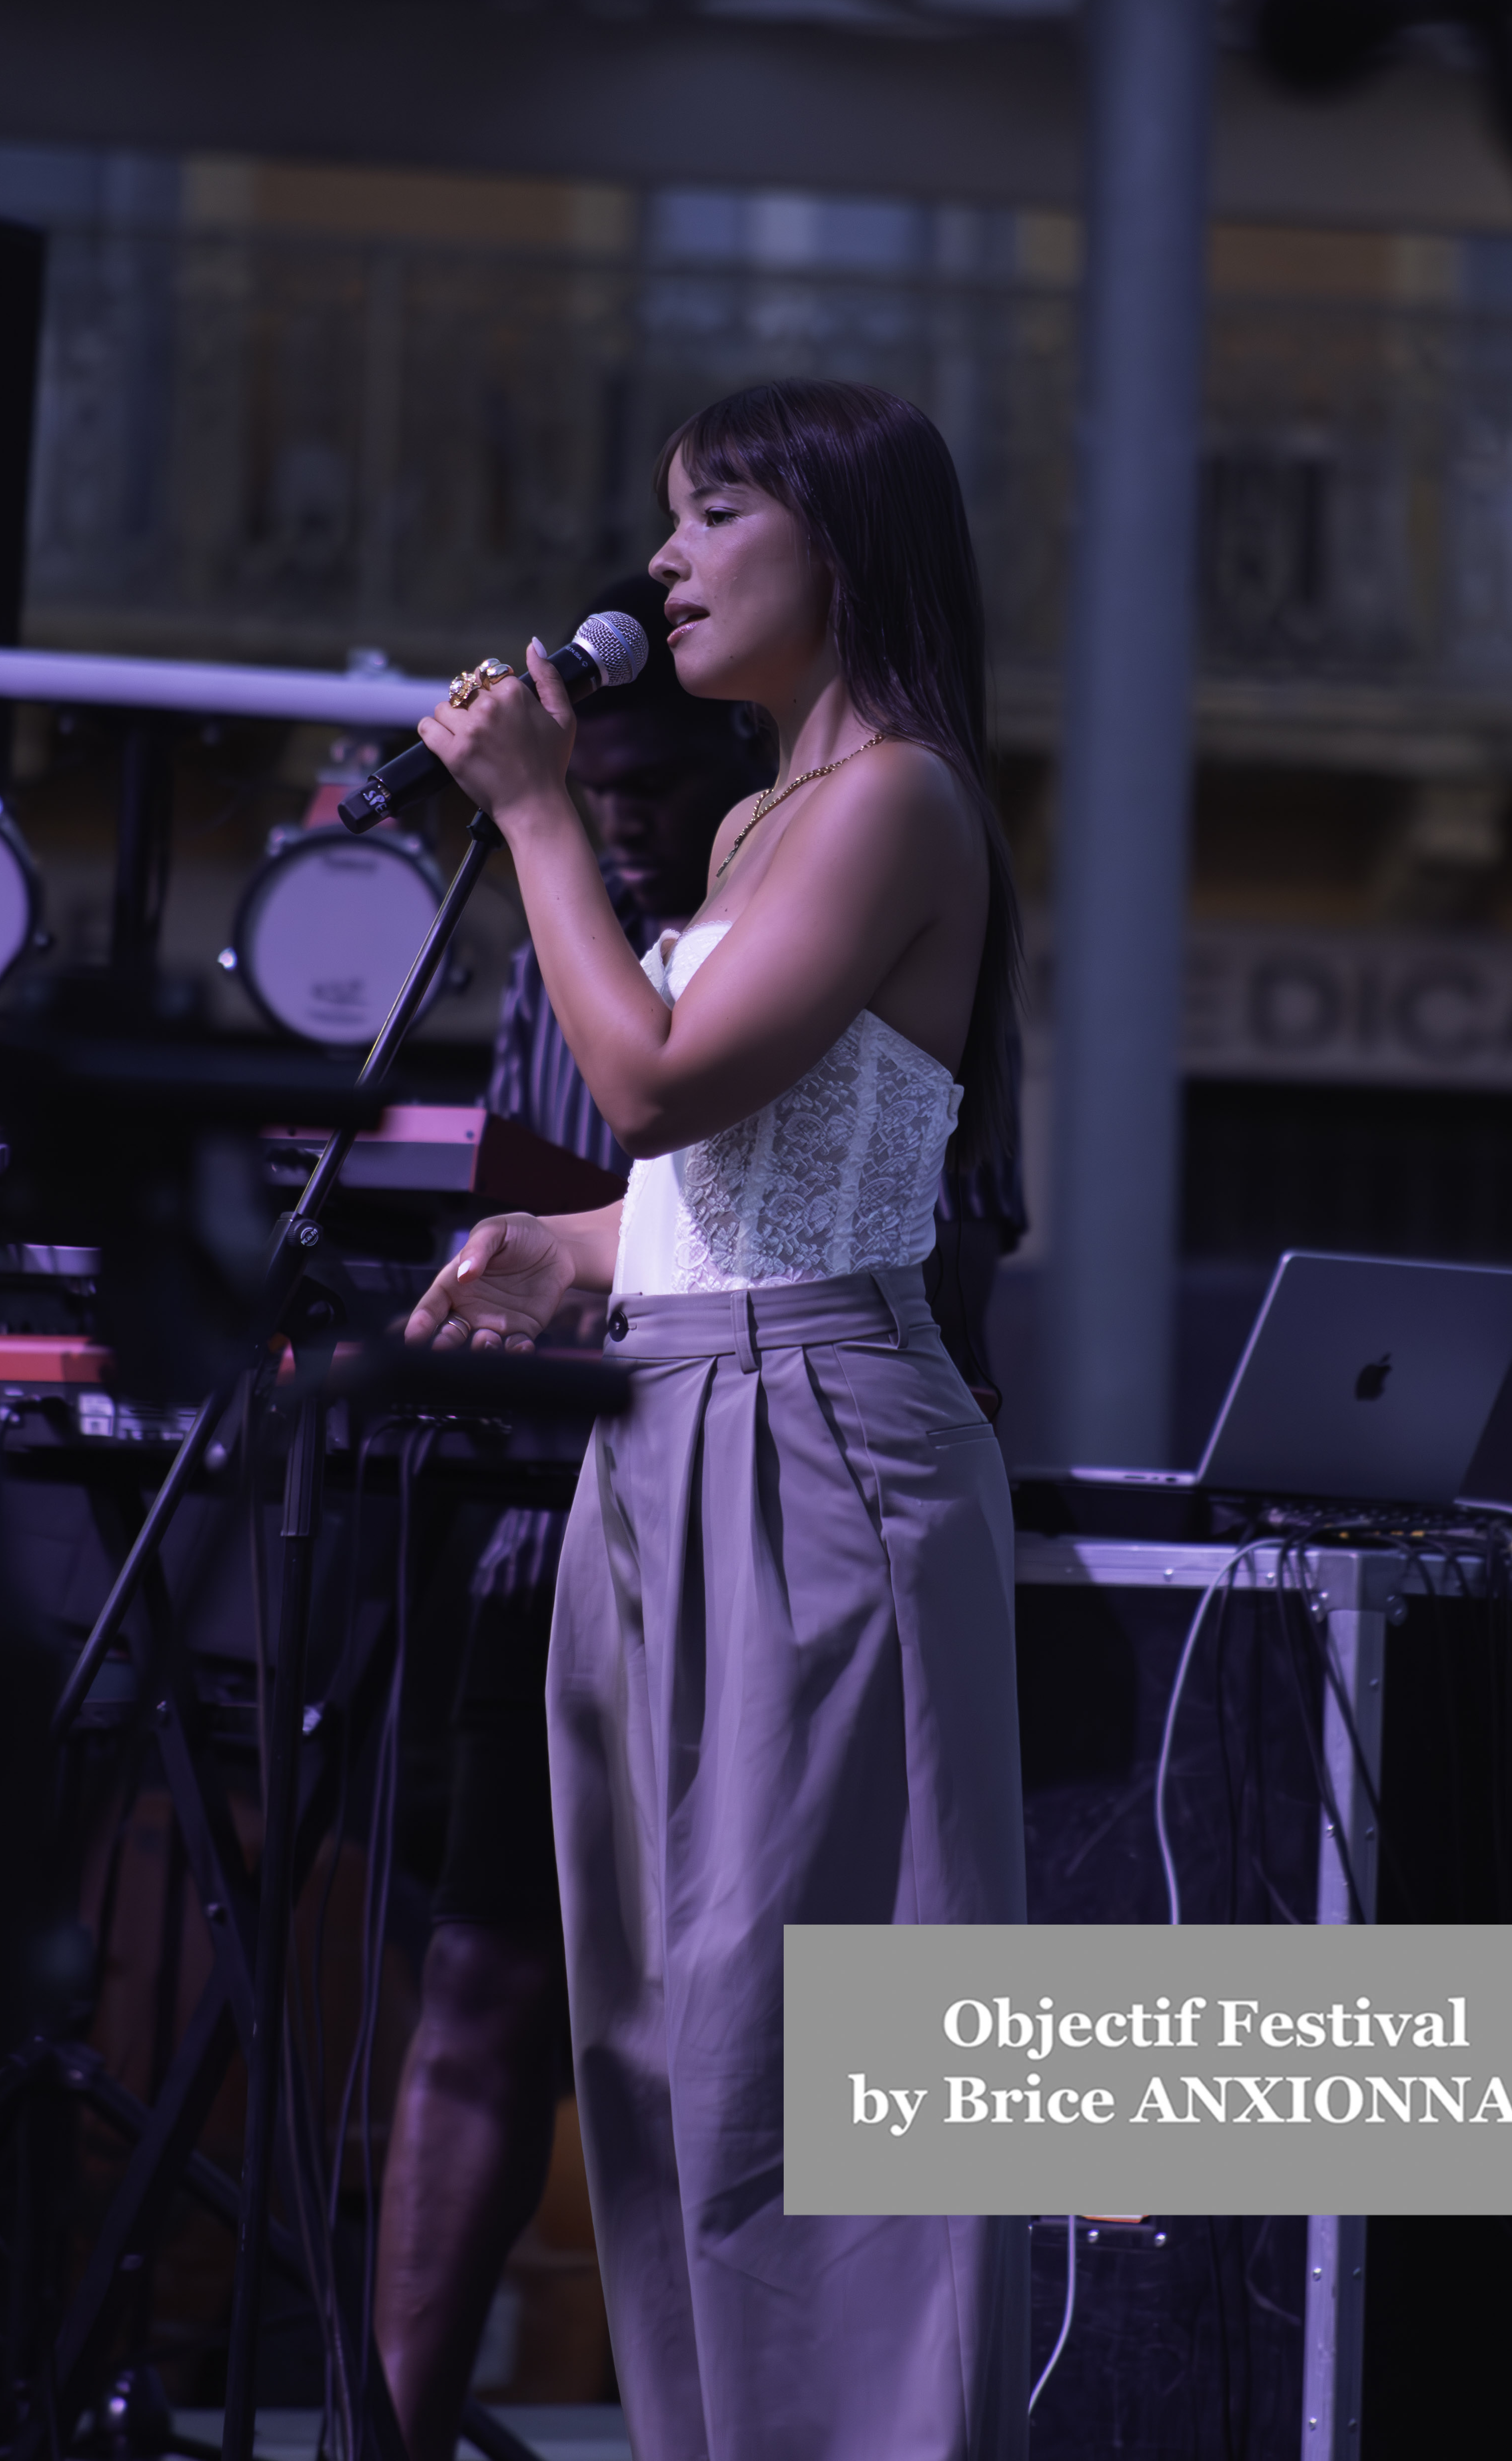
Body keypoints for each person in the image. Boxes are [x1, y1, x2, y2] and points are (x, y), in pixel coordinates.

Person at [404, 382, 1031, 2460]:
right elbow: (739, 1168)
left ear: (838, 545)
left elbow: (662, 1075)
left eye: (712, 515)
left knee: (806, 2051)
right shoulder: (769, 811)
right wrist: (574, 1249)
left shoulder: (897, 800)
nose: (660, 563)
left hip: (817, 1440)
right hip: (666, 1426)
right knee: (662, 2047)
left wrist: (528, 814)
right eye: (666, 519)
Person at [374, 574, 768, 2461]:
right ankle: (399, 2426)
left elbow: (926, 1233)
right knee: (487, 1992)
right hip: (553, 1532)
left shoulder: (805, 904)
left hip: (762, 1512)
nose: (614, 805)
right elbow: (547, 1207)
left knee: (743, 2037)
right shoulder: (563, 939)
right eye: (586, 778)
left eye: (644, 776)